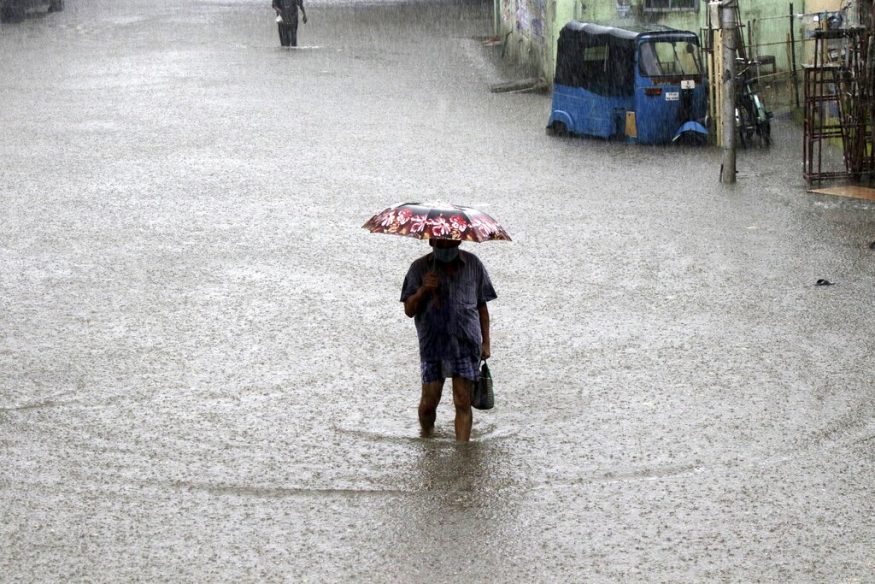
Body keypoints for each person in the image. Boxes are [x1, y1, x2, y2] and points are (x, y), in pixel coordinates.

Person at [400, 239, 497, 442]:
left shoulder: (474, 265)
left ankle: (463, 452)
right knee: (428, 403)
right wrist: (424, 289)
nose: (445, 249)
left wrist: (486, 342)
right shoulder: (419, 268)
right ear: (431, 241)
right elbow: (409, 310)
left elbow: (482, 306)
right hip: (432, 346)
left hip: (466, 343)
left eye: (449, 244)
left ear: (459, 241)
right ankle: (427, 439)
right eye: (440, 245)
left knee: (462, 401)